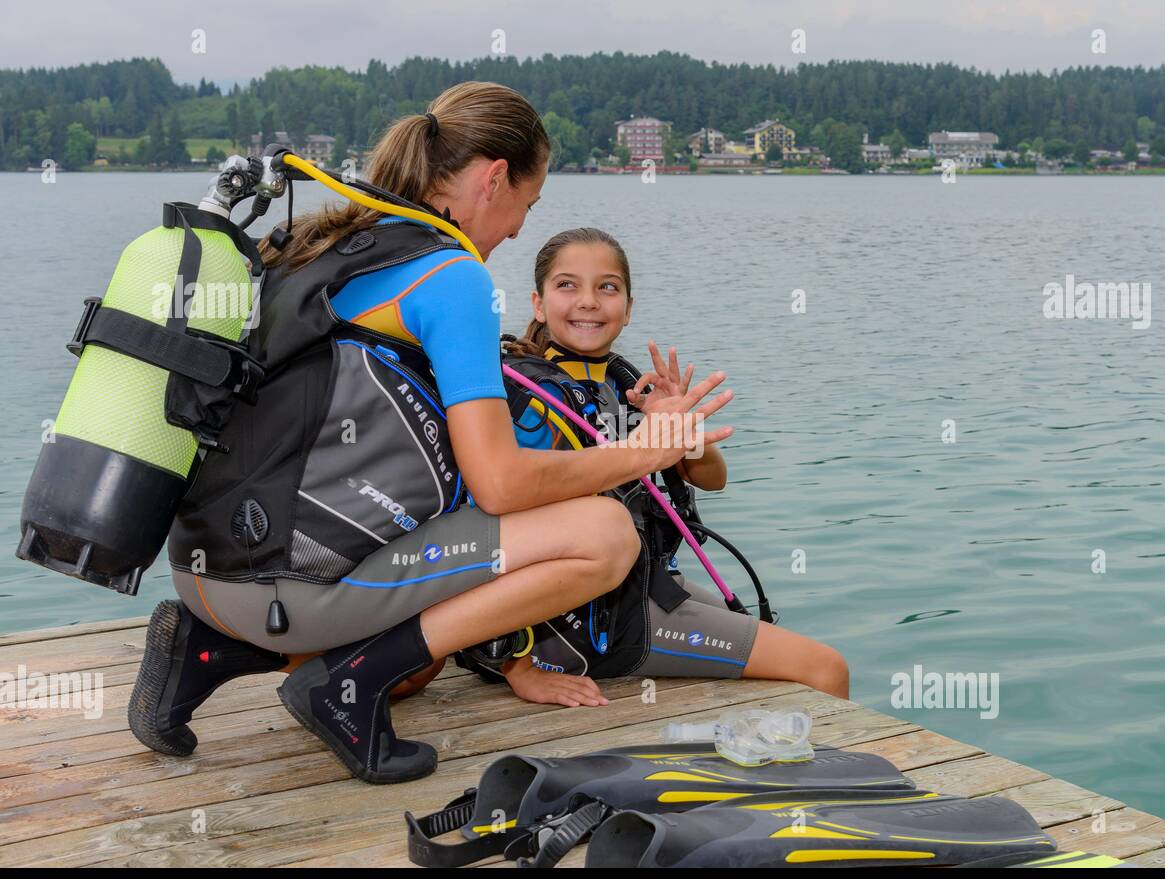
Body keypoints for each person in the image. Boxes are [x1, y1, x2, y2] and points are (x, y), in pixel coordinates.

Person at [129, 82, 733, 784]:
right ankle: (347, 684)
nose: (514, 231)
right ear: (494, 178)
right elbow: (501, 482)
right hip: (285, 585)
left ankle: (205, 649)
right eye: (526, 208)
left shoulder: (323, 242)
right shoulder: (451, 276)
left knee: (429, 660)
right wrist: (644, 451)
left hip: (205, 575)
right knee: (607, 535)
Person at [473, 227, 849, 705]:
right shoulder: (530, 399)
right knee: (825, 668)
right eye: (567, 285)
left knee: (771, 650)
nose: (588, 301)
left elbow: (713, 479)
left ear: (628, 308)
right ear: (539, 304)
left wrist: (679, 426)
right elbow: (497, 532)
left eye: (607, 287)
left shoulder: (621, 385)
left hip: (644, 587)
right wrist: (517, 667)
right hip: (581, 628)